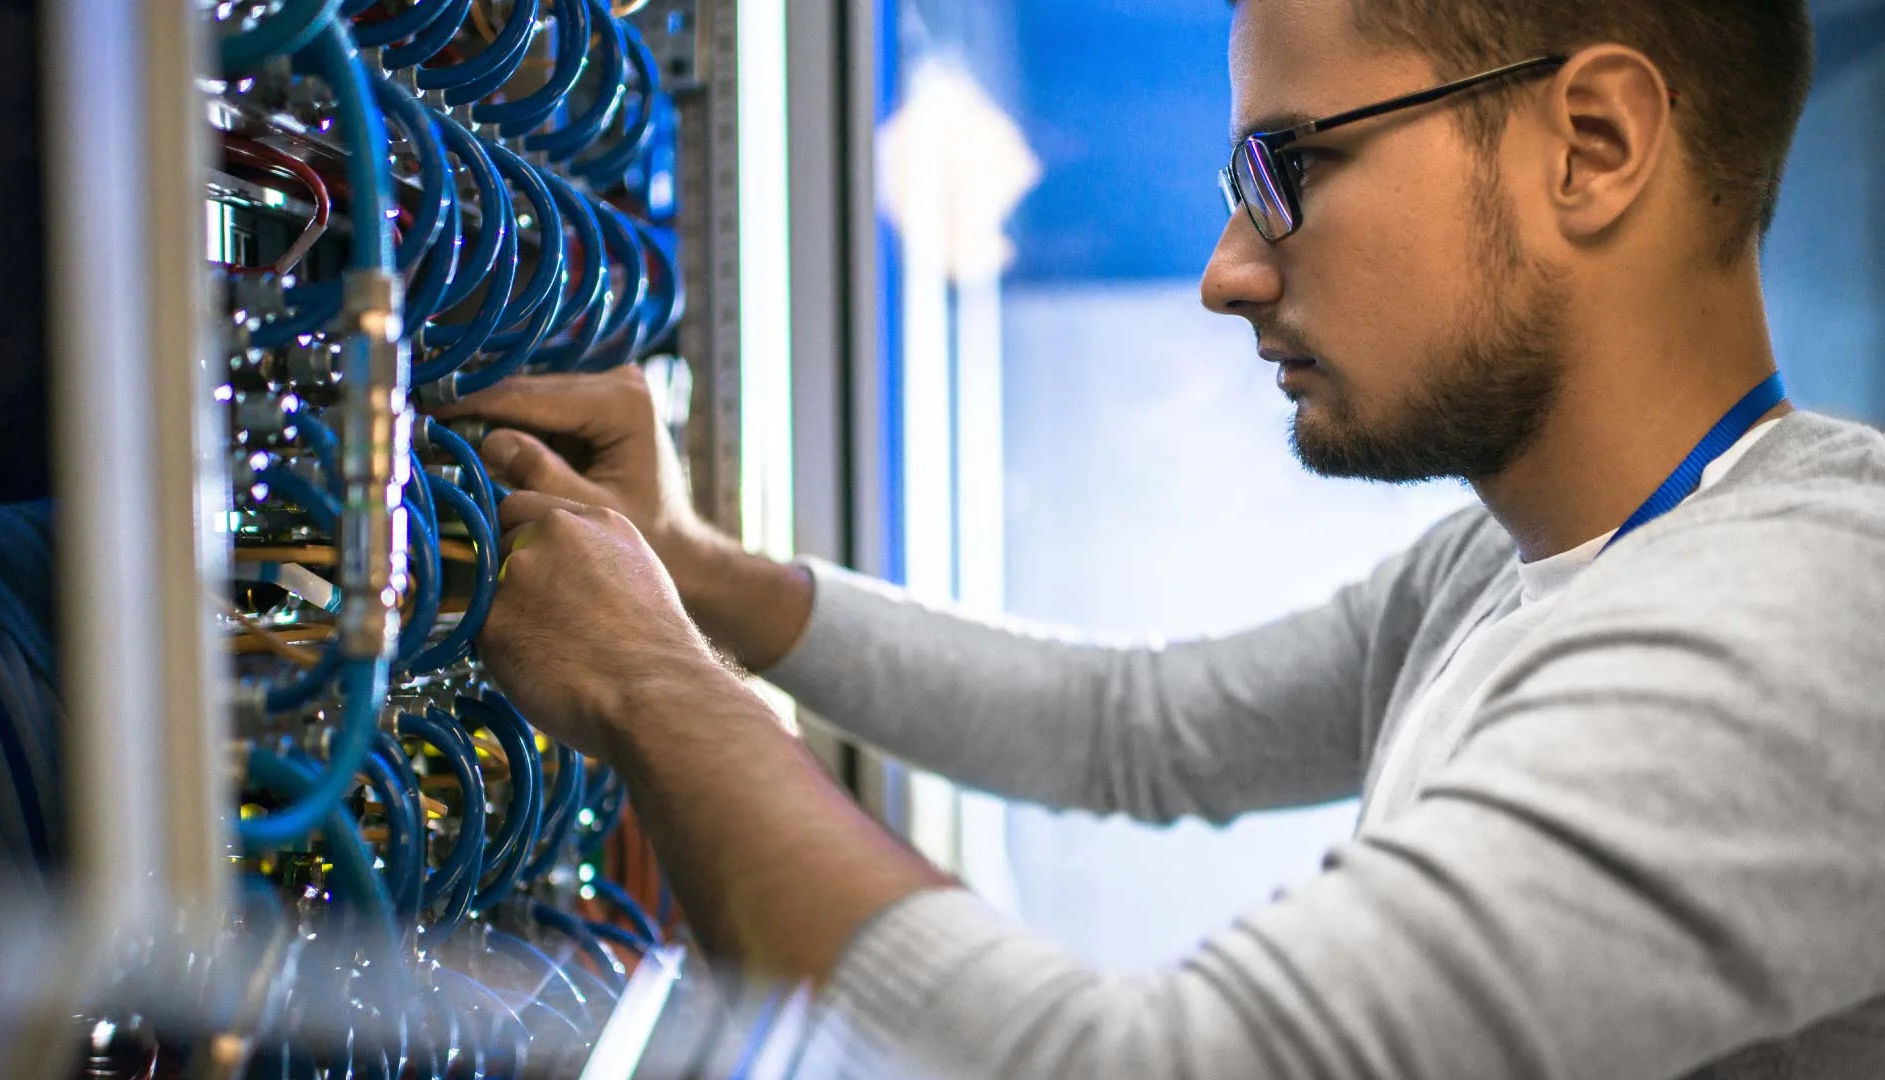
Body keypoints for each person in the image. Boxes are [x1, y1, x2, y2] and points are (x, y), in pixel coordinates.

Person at [437, 0, 1885, 1075]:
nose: (1227, 273)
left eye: (1286, 173)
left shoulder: (1798, 623)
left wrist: (652, 689)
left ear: (1592, 144)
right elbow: (1134, 725)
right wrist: (698, 579)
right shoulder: (1511, 568)